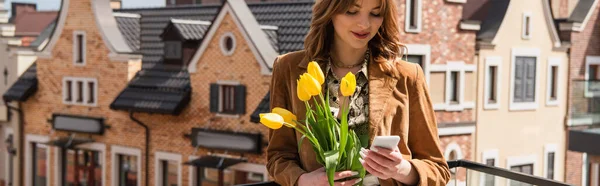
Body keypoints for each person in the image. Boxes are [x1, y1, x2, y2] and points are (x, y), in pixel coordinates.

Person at [266, 0, 450, 185]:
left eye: (375, 14)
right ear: (330, 11)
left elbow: (438, 170)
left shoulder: (408, 76)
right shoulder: (288, 68)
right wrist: (304, 181)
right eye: (351, 12)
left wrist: (402, 169)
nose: (364, 24)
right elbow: (278, 157)